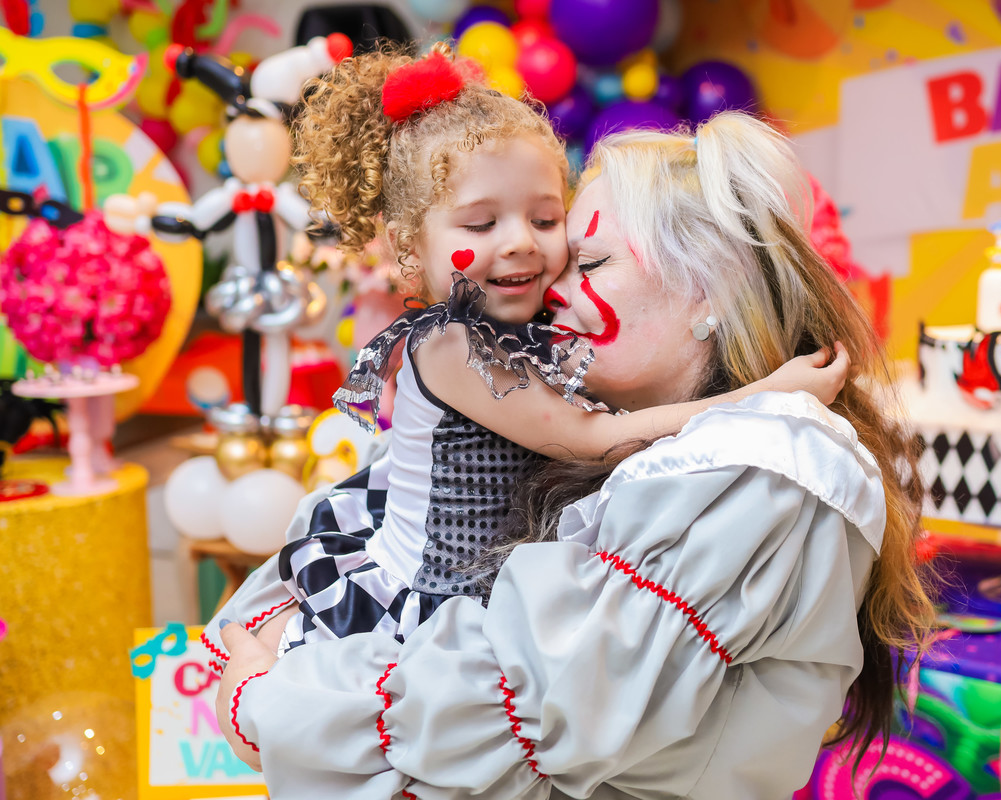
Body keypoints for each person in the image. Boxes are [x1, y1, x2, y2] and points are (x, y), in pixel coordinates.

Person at [213, 111, 934, 799]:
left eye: (583, 257)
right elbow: (363, 530)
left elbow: (519, 706)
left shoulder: (760, 468)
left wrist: (268, 705)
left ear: (710, 284)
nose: (547, 290)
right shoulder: (608, 423)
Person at [198, 45, 846, 671]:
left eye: (544, 220)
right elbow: (592, 439)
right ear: (406, 248)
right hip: (434, 595)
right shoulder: (455, 344)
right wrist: (761, 398)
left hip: (489, 581)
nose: (521, 246)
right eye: (481, 226)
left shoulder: (518, 319)